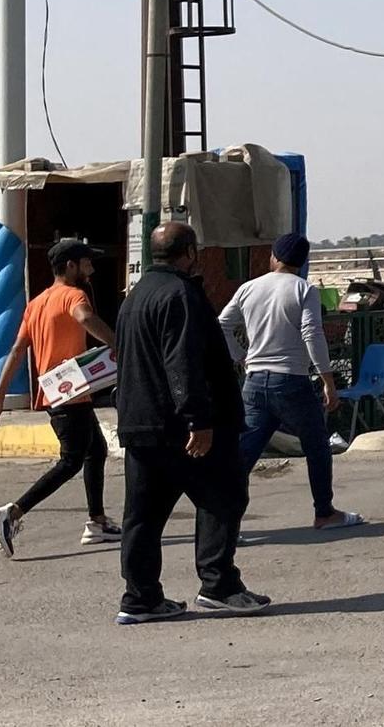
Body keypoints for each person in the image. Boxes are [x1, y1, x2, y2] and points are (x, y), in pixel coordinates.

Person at [113, 222, 266, 624]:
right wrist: (199, 419)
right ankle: (219, 585)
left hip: (141, 424)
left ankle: (140, 597)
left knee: (143, 516)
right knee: (223, 497)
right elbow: (181, 361)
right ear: (191, 252)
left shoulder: (135, 297)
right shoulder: (181, 294)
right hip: (181, 427)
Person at [0, 238, 120, 557]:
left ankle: (97, 521)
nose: (91, 269)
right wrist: (119, 343)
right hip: (69, 393)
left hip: (58, 393)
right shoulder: (73, 295)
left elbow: (17, 350)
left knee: (96, 449)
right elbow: (85, 317)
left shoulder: (37, 303)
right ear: (70, 266)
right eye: (86, 263)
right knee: (71, 461)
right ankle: (12, 513)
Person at [219, 232, 364, 531]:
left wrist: (241, 356)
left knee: (243, 454)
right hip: (291, 380)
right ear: (302, 261)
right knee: (317, 447)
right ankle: (324, 512)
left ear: (274, 257)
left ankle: (224, 523)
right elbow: (312, 333)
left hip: (254, 381)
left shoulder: (249, 288)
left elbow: (222, 324)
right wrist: (327, 380)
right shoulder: (304, 289)